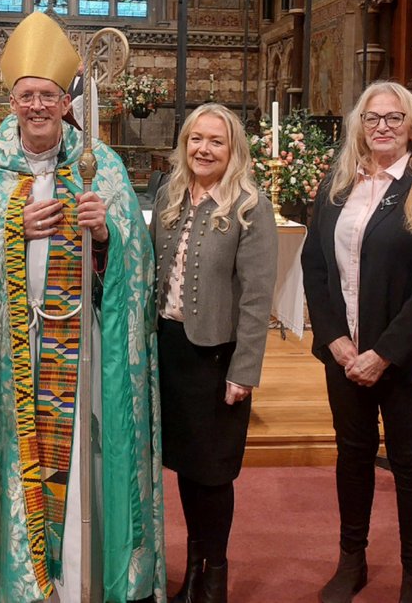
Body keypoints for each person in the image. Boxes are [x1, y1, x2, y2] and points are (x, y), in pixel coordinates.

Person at [0, 11, 164, 603]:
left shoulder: (101, 165)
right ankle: (10, 580)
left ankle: (76, 583)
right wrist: (9, 229)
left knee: (78, 461)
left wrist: (106, 239)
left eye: (49, 95)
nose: (38, 106)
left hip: (80, 357)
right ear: (12, 100)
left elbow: (136, 270)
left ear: (66, 100)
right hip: (6, 357)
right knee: (12, 462)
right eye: (28, 96)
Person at [301, 82, 412, 603]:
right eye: (372, 119)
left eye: (394, 118)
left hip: (405, 357)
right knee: (352, 456)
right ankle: (352, 560)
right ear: (359, 126)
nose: (383, 128)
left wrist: (383, 352)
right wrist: (335, 341)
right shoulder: (337, 185)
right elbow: (315, 266)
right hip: (344, 356)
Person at [152, 103, 277, 603]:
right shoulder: (170, 195)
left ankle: (216, 577)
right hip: (170, 350)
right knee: (185, 465)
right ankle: (194, 571)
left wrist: (244, 370)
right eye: (196, 139)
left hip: (217, 359)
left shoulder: (250, 204)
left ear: (233, 149)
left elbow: (256, 295)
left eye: (216, 141)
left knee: (214, 471)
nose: (204, 149)